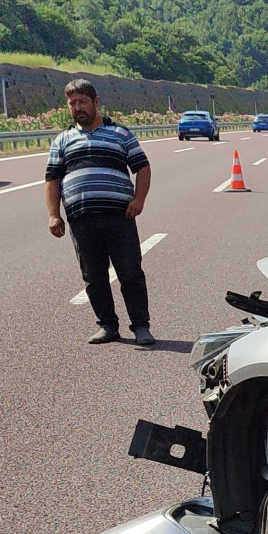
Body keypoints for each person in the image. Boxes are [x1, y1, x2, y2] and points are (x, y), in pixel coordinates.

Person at [45, 79, 155, 345]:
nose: (77, 107)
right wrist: (54, 214)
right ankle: (108, 326)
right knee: (93, 276)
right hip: (82, 219)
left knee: (130, 272)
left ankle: (141, 326)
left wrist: (139, 200)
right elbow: (52, 179)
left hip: (120, 217)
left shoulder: (121, 133)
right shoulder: (63, 140)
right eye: (72, 103)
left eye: (82, 101)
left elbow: (142, 167)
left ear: (96, 102)